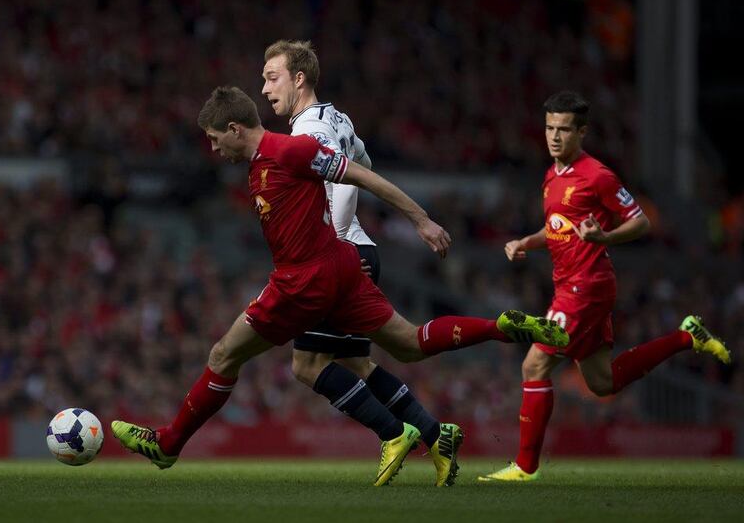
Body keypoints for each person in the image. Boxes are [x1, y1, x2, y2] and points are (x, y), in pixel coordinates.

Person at [112, 86, 568, 486]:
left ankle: (169, 444)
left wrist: (420, 219)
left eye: (214, 139)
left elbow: (361, 173)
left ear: (233, 128)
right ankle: (502, 326)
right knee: (408, 343)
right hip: (341, 267)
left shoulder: (290, 149)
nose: (213, 150)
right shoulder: (264, 161)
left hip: (302, 280)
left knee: (225, 355)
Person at [478, 91, 731, 482]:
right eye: (549, 128)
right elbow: (557, 227)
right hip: (572, 285)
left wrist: (604, 238)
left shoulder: (598, 175)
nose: (555, 137)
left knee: (535, 363)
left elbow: (642, 221)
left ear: (582, 132)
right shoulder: (552, 176)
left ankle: (525, 468)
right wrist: (524, 242)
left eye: (564, 129)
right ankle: (685, 337)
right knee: (603, 382)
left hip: (586, 286)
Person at [260, 39, 462, 487]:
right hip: (358, 249)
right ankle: (435, 434)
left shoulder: (309, 128)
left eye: (272, 78)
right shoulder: (338, 118)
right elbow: (362, 167)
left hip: (340, 254)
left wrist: (335, 238)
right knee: (356, 365)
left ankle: (395, 435)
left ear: (299, 79)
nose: (265, 89)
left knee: (307, 366)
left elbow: (345, 181)